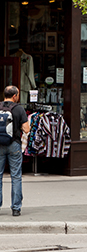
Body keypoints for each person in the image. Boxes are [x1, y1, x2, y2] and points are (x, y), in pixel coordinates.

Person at [0, 86, 30, 216]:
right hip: (14, 145)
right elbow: (27, 129)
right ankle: (16, 208)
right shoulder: (18, 109)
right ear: (15, 96)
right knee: (16, 176)